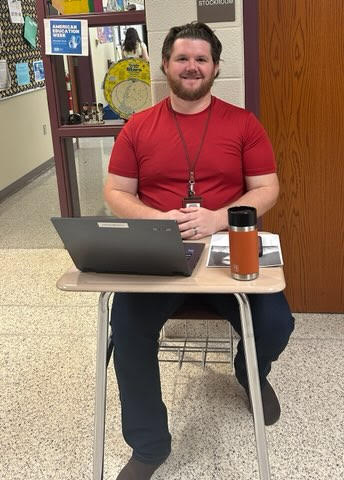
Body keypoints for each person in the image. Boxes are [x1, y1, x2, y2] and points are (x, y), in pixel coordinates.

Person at [104, 22, 294, 480]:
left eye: (202, 59)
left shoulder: (243, 123)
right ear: (165, 65)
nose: (192, 67)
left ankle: (250, 372)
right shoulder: (137, 127)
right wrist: (157, 219)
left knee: (276, 322)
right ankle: (150, 446)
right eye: (183, 58)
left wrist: (218, 218)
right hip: (160, 252)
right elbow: (115, 191)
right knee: (126, 331)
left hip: (229, 249)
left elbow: (267, 188)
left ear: (215, 68)